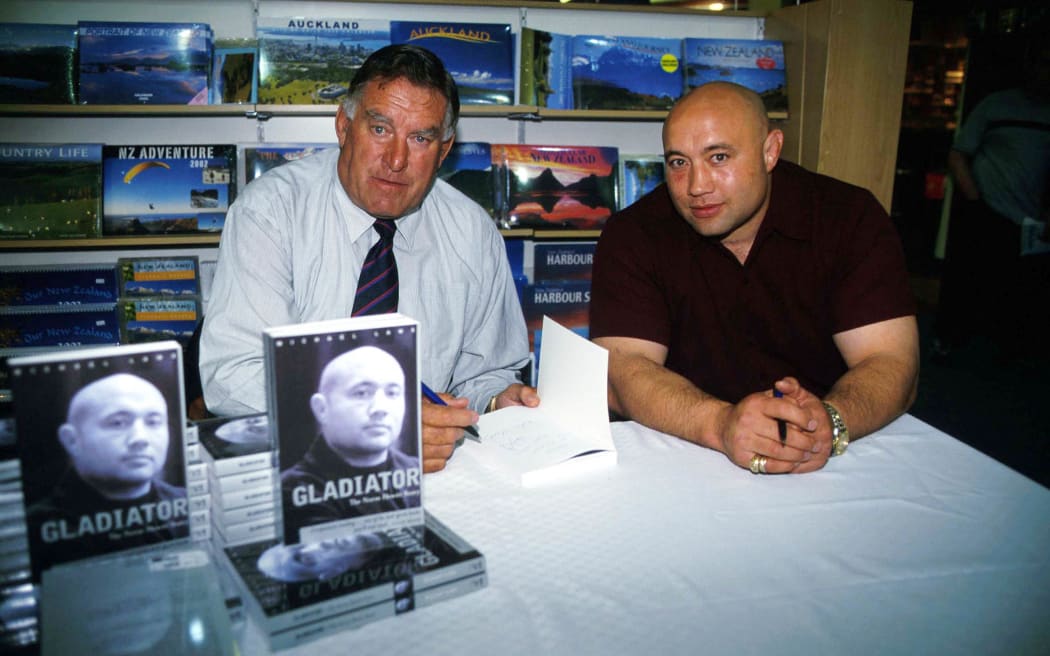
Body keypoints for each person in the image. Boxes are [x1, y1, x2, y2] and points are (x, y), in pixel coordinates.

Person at [200, 44, 537, 473]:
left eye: (420, 138)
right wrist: (370, 424)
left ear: (445, 148)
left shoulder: (472, 232)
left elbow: (484, 372)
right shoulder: (270, 212)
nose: (396, 160)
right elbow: (232, 376)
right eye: (380, 129)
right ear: (344, 126)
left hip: (434, 473)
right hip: (299, 467)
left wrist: (496, 399)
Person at [589, 81, 920, 474]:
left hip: (827, 459)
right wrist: (720, 424)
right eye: (679, 162)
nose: (697, 186)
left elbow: (891, 360)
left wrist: (826, 422)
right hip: (682, 452)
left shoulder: (847, 217)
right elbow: (625, 370)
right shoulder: (635, 233)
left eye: (719, 157)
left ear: (770, 150)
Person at [933, 40, 1050, 359]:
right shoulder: (997, 105)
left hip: (1031, 218)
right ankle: (950, 340)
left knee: (1019, 288)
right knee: (969, 279)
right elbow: (958, 154)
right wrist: (974, 200)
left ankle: (1007, 351)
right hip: (988, 209)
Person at [27, 373, 188, 571]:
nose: (140, 438)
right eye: (118, 423)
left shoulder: (189, 506)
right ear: (71, 440)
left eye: (153, 422)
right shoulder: (37, 529)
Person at [281, 346, 420, 536]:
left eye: (392, 393)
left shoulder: (413, 469)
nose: (380, 408)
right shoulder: (294, 490)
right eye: (361, 393)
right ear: (321, 409)